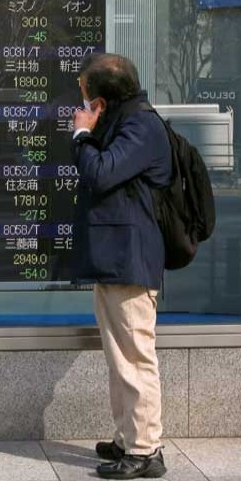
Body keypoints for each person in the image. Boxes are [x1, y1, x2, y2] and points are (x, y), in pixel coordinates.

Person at [71, 53, 172, 479]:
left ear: (104, 98)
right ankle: (127, 438)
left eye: (87, 94)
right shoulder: (125, 121)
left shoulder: (141, 126)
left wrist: (81, 135)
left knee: (134, 357)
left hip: (131, 261)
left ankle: (146, 451)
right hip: (115, 261)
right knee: (119, 359)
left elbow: (101, 173)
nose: (84, 101)